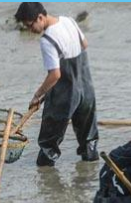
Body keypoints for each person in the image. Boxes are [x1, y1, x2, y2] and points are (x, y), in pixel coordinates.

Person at [15, 2, 99, 166]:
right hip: (86, 88)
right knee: (88, 139)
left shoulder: (47, 40)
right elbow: (84, 44)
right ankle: (89, 173)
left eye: (30, 25)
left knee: (49, 144)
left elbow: (55, 75)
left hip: (65, 95)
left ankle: (46, 183)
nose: (30, 30)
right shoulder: (69, 21)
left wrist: (37, 95)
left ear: (40, 17)